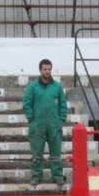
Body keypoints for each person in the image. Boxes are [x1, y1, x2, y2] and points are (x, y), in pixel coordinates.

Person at [22, 58, 67, 186]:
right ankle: (36, 176)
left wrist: (61, 119)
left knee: (56, 152)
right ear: (40, 70)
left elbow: (62, 104)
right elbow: (26, 103)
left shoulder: (57, 86)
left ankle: (57, 176)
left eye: (49, 69)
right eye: (45, 69)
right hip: (37, 124)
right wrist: (31, 119)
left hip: (54, 124)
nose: (47, 71)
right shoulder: (33, 86)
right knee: (37, 152)